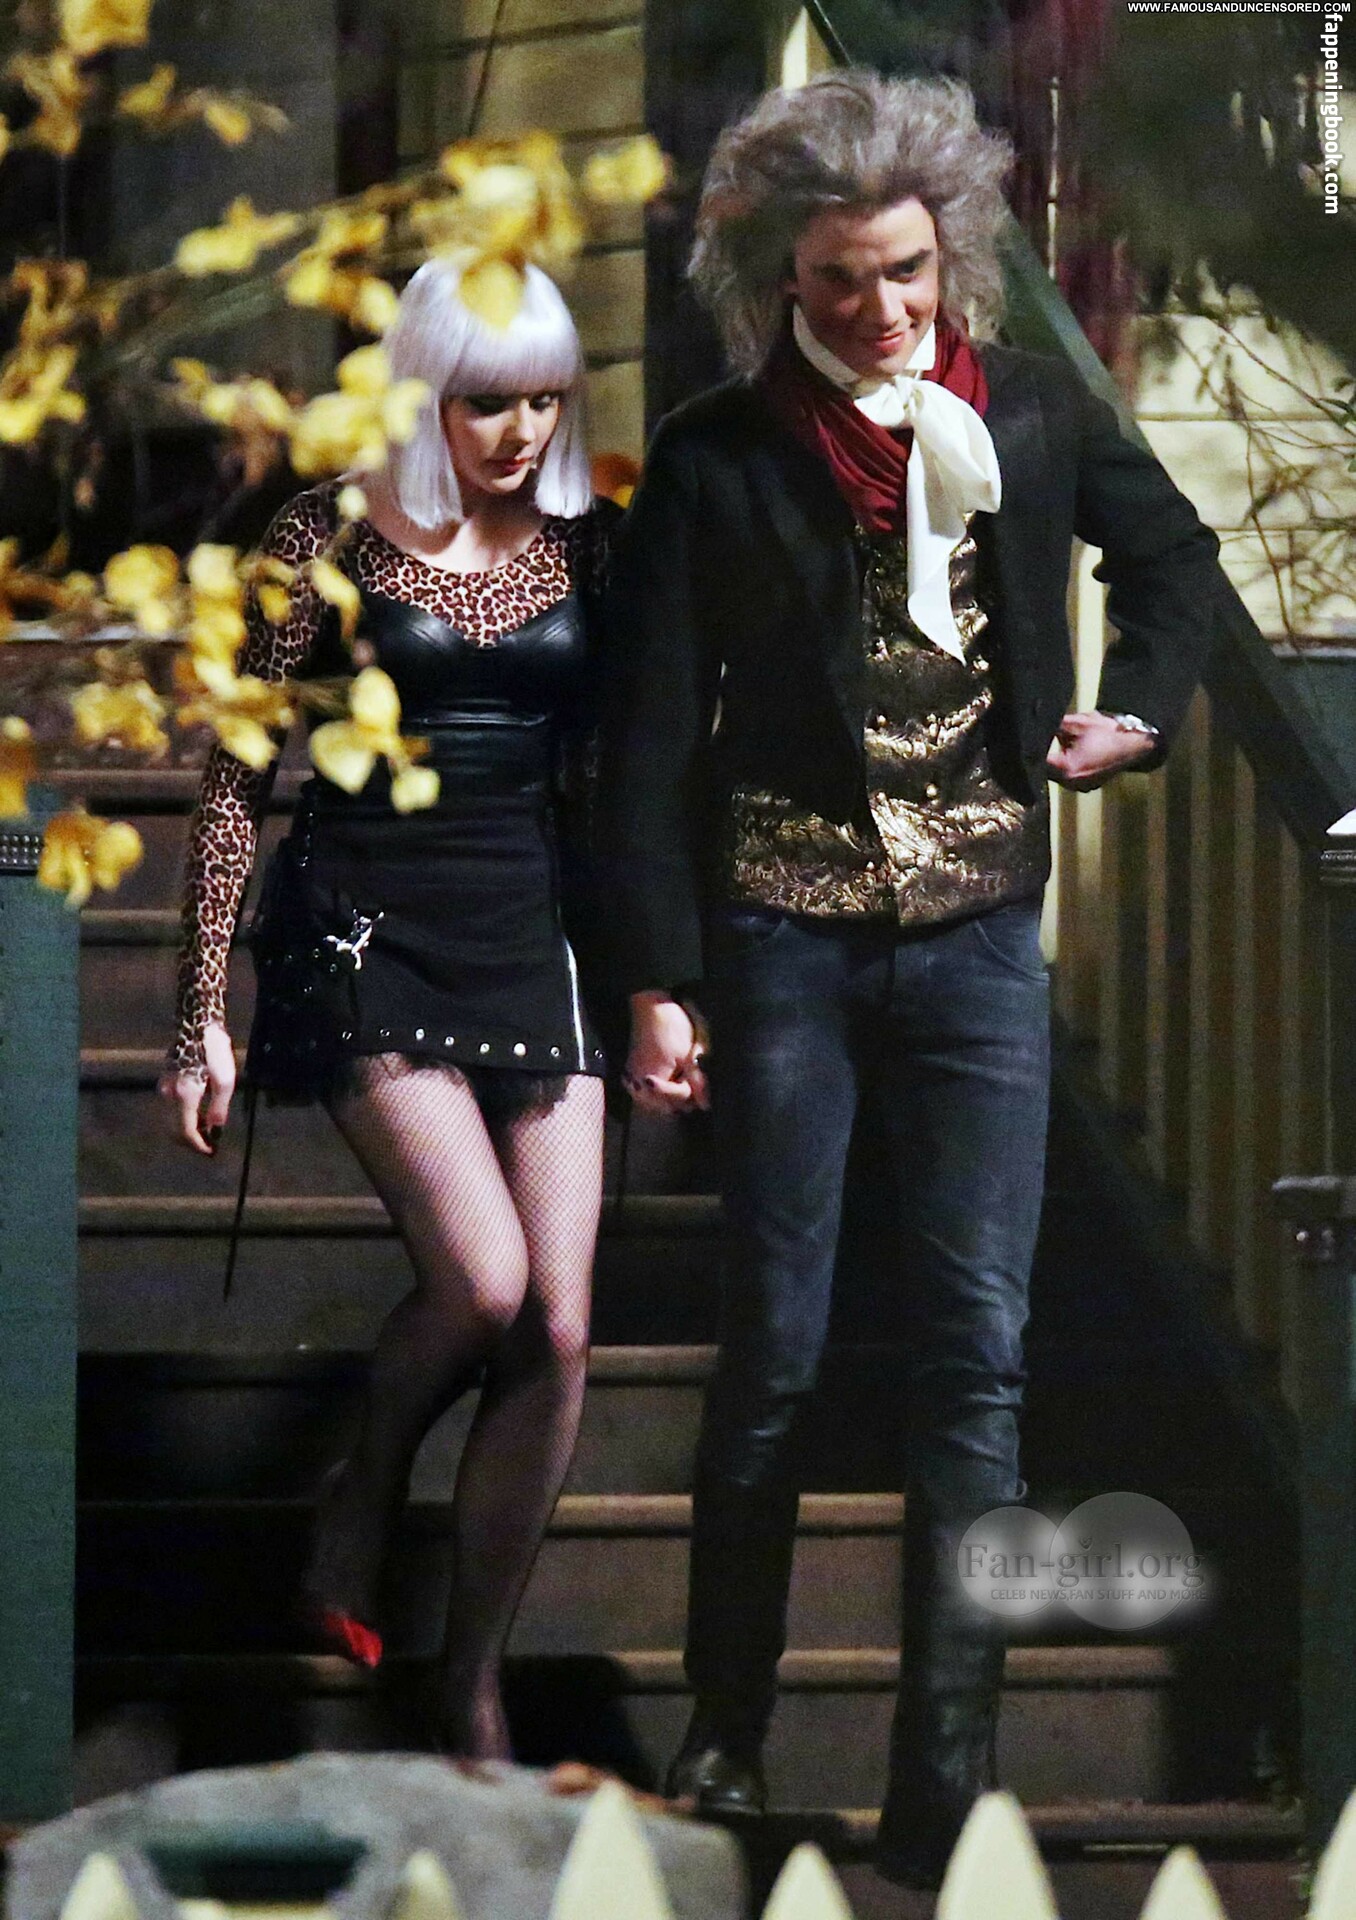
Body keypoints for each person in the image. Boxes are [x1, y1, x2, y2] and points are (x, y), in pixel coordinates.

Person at [597, 70, 1221, 1886]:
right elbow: (646, 740)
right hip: (782, 934)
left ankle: (948, 1769)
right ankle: (726, 1729)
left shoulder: (1026, 406)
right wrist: (658, 980)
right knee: (776, 1352)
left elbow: (1173, 561)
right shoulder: (718, 454)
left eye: (906, 272)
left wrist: (1140, 714)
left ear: (951, 257)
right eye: (840, 280)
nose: (881, 308)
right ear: (777, 283)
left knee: (976, 1360)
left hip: (977, 941)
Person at [160, 258, 612, 1759]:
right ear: (426, 395)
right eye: (489, 404)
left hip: (532, 928)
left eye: (544, 401)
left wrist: (663, 979)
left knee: (558, 1326)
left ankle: (469, 1678)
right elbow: (238, 776)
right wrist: (199, 1007)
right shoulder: (325, 536)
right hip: (366, 924)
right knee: (482, 1281)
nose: (522, 432)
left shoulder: (588, 541)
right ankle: (363, 1483)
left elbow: (631, 756)